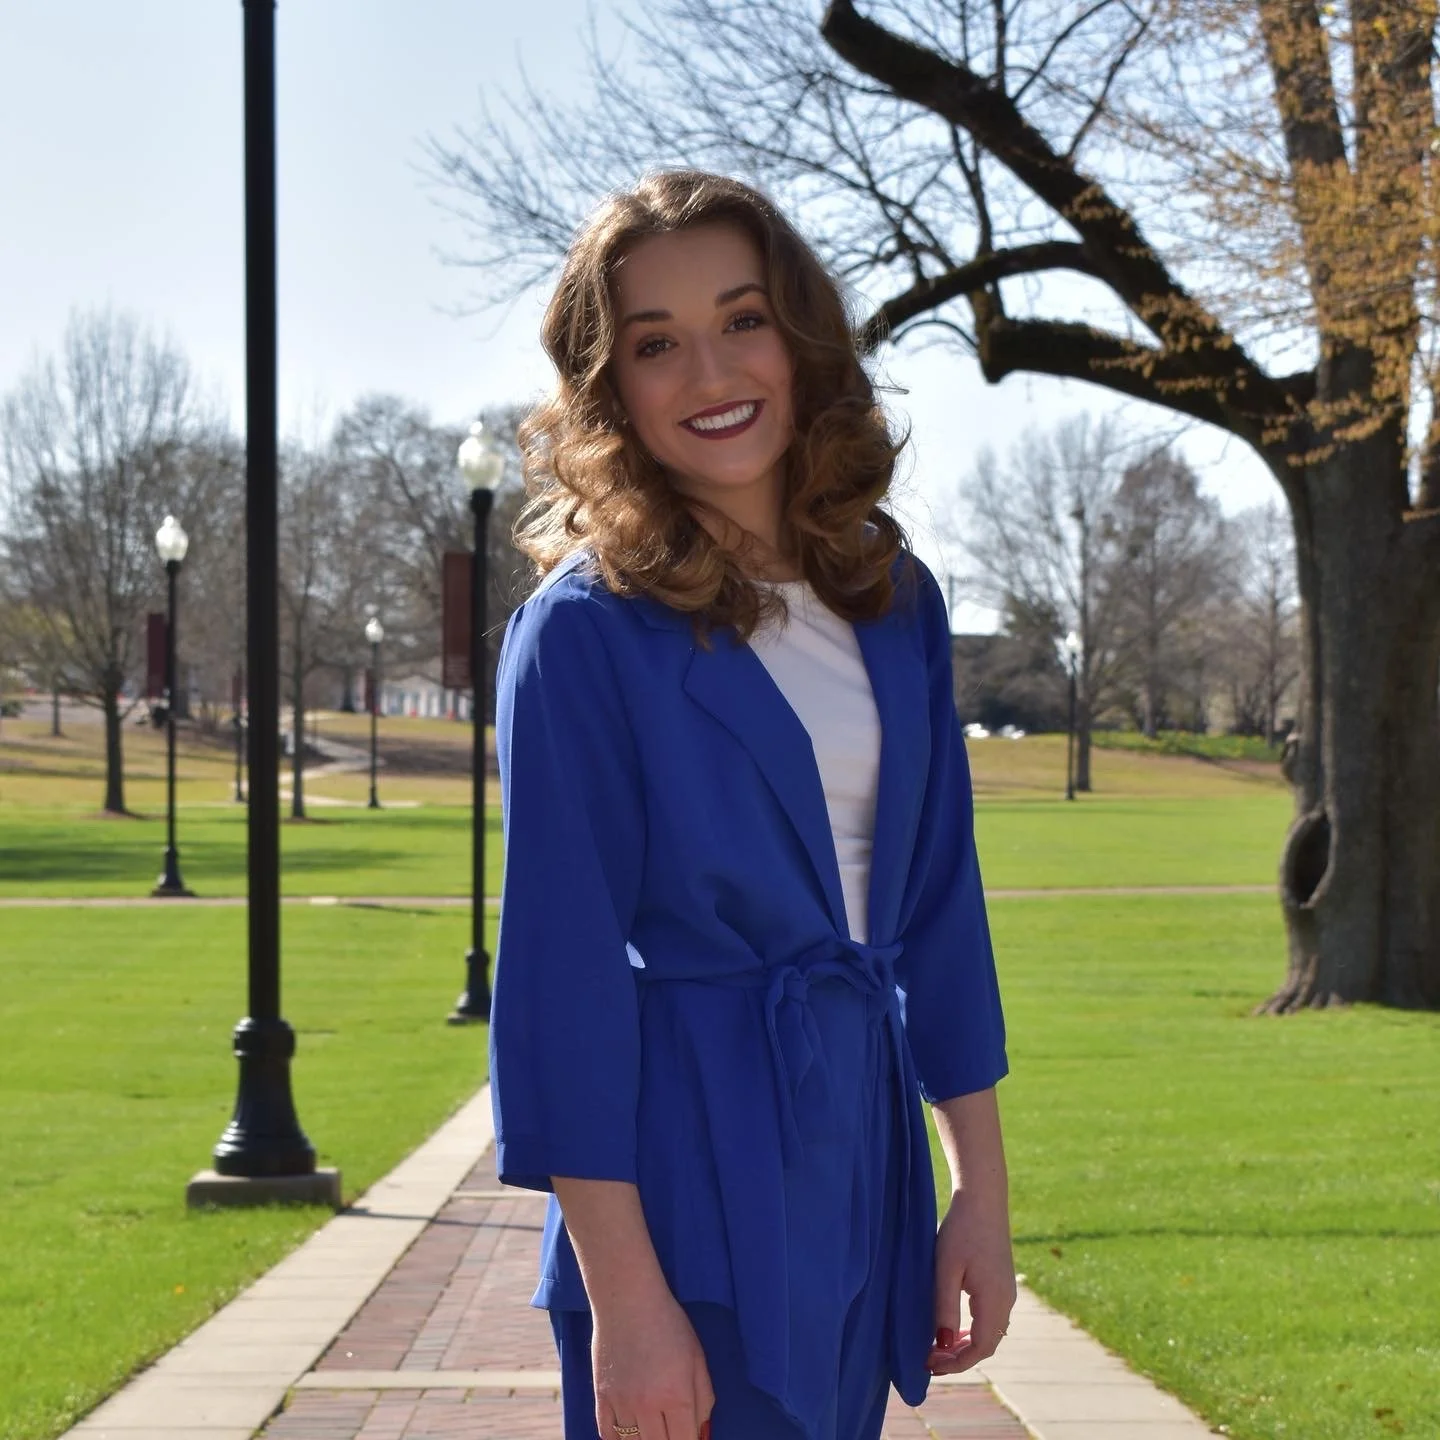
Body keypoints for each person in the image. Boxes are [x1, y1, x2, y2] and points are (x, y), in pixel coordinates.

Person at [489, 168, 1014, 1440]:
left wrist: (978, 1192)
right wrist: (629, 1303)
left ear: (801, 333)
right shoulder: (584, 636)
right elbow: (563, 982)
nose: (712, 374)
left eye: (743, 320)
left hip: (858, 1147)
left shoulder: (896, 600)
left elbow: (939, 912)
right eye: (656, 345)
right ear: (609, 390)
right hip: (680, 1169)